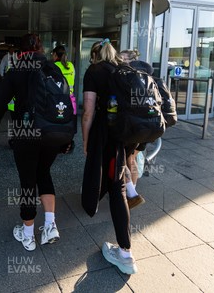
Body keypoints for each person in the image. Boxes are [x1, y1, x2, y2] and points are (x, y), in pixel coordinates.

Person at [0, 33, 61, 251]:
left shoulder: (16, 71)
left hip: (25, 133)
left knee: (28, 181)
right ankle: (50, 225)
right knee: (43, 173)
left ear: (20, 51)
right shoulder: (53, 68)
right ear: (41, 49)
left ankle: (28, 235)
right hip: (53, 133)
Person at [81, 38, 138, 275]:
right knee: (119, 184)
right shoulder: (122, 70)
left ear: (94, 55)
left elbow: (88, 112)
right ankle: (123, 249)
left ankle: (125, 253)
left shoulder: (93, 71)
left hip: (105, 137)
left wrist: (85, 142)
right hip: (124, 136)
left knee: (116, 189)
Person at [118, 49, 152, 210]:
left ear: (130, 60)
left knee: (128, 159)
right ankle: (132, 191)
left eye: (123, 59)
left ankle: (132, 194)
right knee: (131, 159)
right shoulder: (146, 76)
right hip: (147, 125)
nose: (120, 62)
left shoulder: (131, 77)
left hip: (137, 126)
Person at [52, 45, 76, 115]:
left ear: (55, 55)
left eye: (52, 54)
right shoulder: (71, 65)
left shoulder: (54, 66)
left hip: (57, 99)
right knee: (71, 120)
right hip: (71, 99)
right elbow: (73, 79)